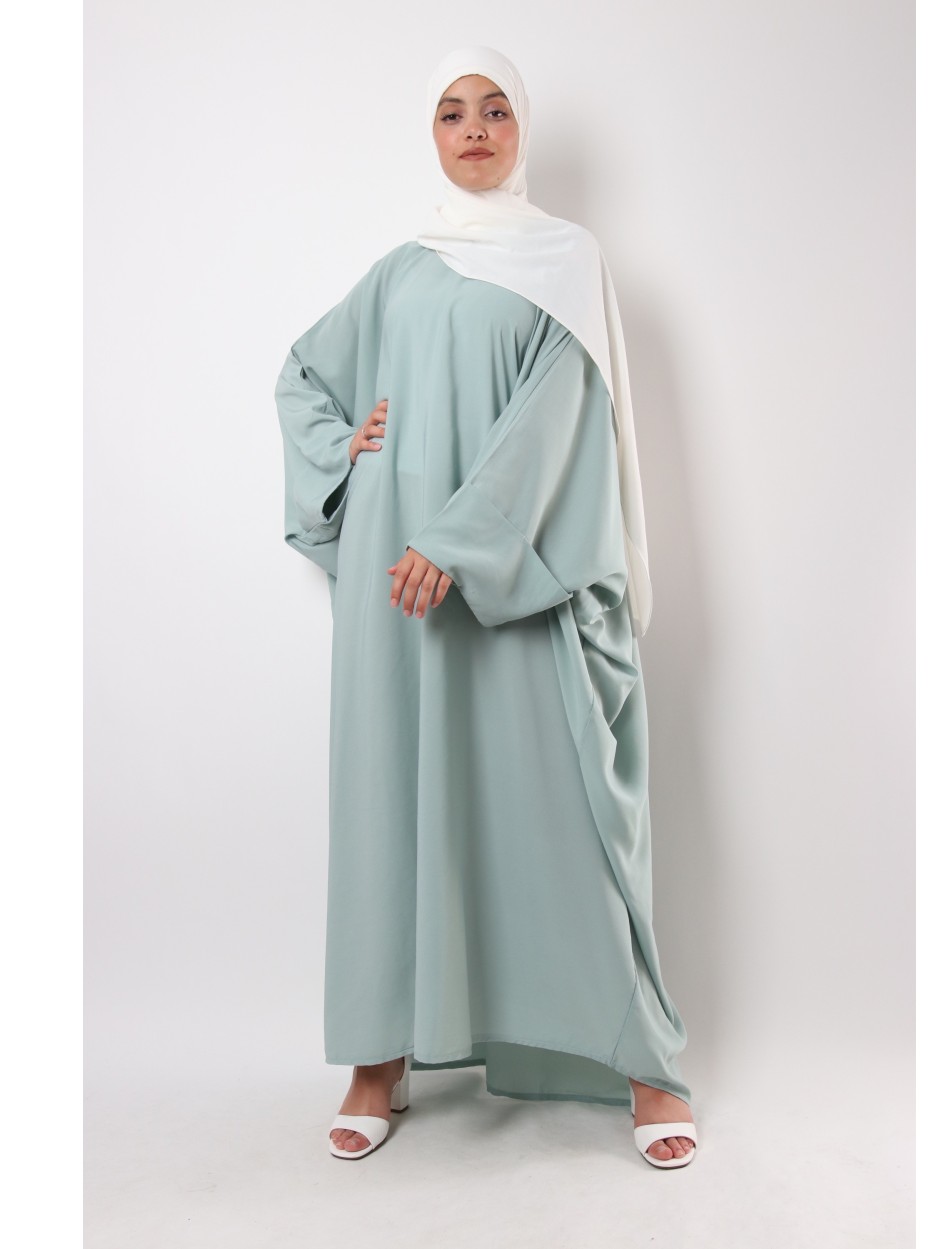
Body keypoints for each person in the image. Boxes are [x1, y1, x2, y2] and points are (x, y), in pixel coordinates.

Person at [274, 45, 698, 1170]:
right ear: (432, 134)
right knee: (390, 802)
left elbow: (559, 414)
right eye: (453, 112)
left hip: (507, 574)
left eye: (496, 109)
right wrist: (348, 450)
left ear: (522, 130)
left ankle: (644, 1059)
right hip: (394, 585)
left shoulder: (566, 261)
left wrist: (458, 541)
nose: (474, 129)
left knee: (560, 805)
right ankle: (379, 1057)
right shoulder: (401, 271)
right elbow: (304, 377)